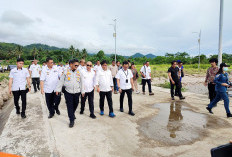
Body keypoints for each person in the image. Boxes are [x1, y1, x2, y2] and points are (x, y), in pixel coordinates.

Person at [56, 59, 84, 128]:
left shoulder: (79, 72)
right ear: (71, 64)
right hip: (68, 92)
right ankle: (71, 120)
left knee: (76, 104)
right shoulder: (65, 72)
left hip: (77, 92)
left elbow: (82, 82)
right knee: (69, 106)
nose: (77, 66)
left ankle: (72, 113)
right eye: (75, 65)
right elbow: (61, 81)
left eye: (78, 65)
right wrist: (58, 90)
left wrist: (83, 91)